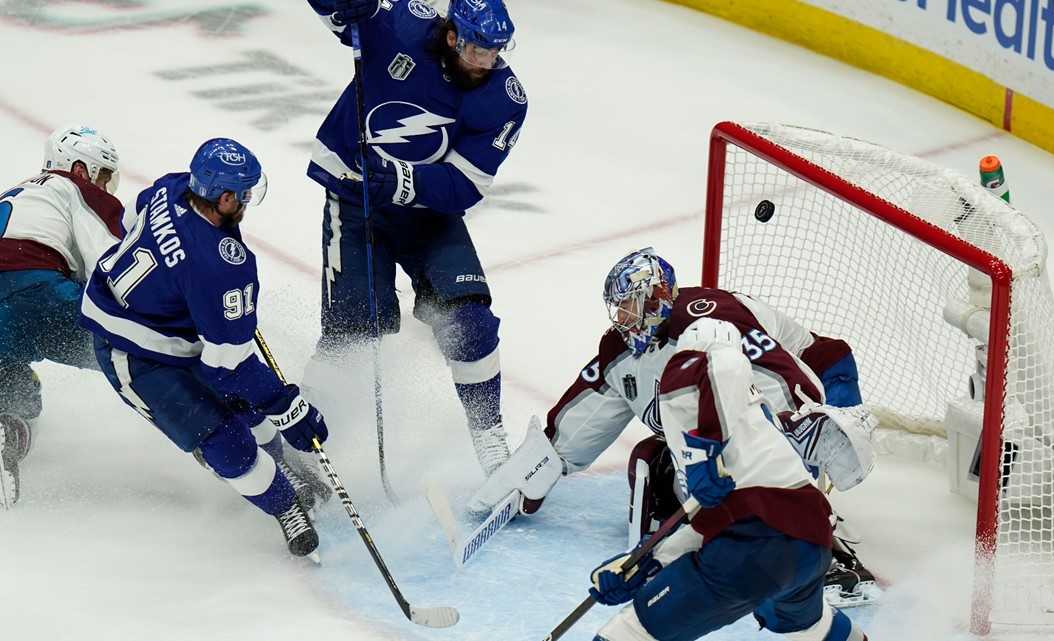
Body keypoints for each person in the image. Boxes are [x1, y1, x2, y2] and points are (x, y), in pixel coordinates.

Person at [470, 248, 879, 604]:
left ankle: (830, 555)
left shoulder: (714, 322)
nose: (623, 318)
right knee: (654, 465)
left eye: (631, 304)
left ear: (658, 299)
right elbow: (582, 419)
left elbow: (788, 384)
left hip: (822, 383)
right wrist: (536, 469)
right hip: (759, 408)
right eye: (619, 308)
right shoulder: (621, 349)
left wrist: (796, 437)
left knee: (770, 458)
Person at [304, 0, 528, 476]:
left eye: (495, 52)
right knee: (352, 336)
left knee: (470, 322)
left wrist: (402, 180)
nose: (486, 63)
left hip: (428, 216)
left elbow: (465, 185)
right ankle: (306, 454)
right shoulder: (400, 24)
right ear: (452, 36)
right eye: (476, 51)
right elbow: (332, 11)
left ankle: (489, 436)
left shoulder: (504, 99)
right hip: (356, 206)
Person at [78, 138, 329, 558]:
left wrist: (194, 297)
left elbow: (133, 224)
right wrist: (288, 408)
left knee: (244, 407)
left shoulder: (172, 187)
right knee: (223, 439)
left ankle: (281, 466)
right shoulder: (218, 266)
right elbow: (227, 368)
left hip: (164, 320)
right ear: (225, 197)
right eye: (245, 193)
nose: (249, 200)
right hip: (131, 351)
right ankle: (286, 507)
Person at [587, 317, 870, 641]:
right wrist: (645, 564)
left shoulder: (699, 370)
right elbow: (709, 524)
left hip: (754, 547)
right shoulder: (754, 424)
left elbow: (718, 361)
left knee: (629, 632)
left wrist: (700, 452)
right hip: (811, 548)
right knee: (814, 628)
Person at [0, 124, 125, 509]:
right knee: (146, 359)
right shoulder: (76, 188)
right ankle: (231, 431)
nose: (105, 186)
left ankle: (10, 426)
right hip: (37, 294)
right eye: (103, 174)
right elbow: (117, 268)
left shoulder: (15, 192)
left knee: (15, 387)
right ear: (80, 169)